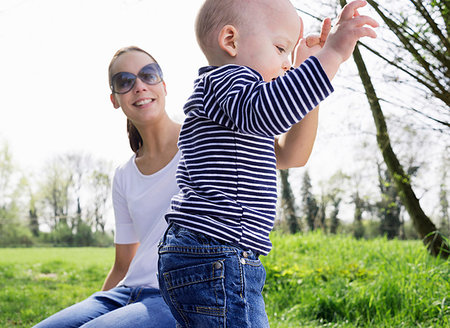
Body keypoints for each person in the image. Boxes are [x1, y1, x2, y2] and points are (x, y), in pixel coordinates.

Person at [157, 0, 378, 327]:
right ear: (230, 41)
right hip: (218, 251)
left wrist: (308, 66)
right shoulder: (228, 82)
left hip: (207, 253)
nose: (286, 65)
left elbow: (293, 156)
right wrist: (331, 55)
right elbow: (270, 111)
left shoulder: (232, 107)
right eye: (279, 49)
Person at [33, 46, 179, 328]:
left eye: (148, 75)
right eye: (125, 81)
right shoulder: (124, 175)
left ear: (163, 85)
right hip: (125, 293)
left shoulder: (201, 142)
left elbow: (288, 156)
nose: (139, 86)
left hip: (174, 295)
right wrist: (99, 307)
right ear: (115, 99)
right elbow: (123, 264)